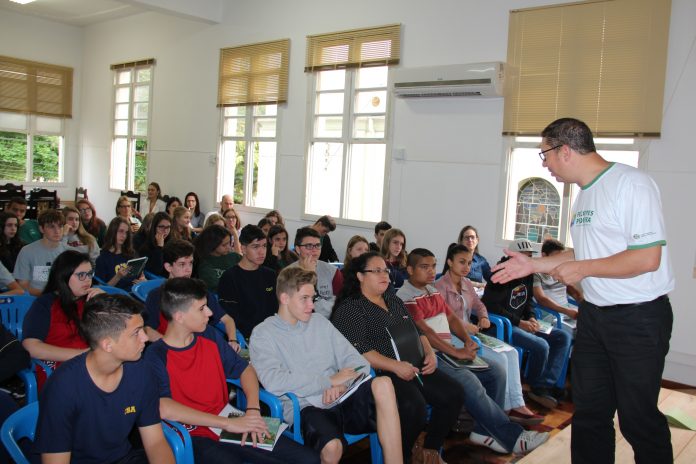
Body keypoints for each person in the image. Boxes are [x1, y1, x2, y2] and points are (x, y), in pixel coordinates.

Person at [491, 117, 675, 464]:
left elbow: (647, 257)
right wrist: (534, 265)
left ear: (565, 150)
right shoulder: (585, 195)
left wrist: (584, 269)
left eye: (545, 153)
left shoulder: (631, 184)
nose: (544, 163)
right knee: (590, 415)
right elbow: (585, 254)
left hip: (637, 319)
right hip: (595, 317)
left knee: (637, 419)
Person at [144, 278, 320, 464]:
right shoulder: (156, 355)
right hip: (194, 433)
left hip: (228, 419)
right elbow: (165, 407)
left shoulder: (209, 336)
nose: (210, 313)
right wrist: (228, 424)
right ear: (179, 317)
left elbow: (245, 370)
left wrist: (252, 409)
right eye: (202, 308)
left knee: (308, 459)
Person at [396, 248, 548, 455]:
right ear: (410, 270)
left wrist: (467, 341)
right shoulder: (404, 296)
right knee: (469, 381)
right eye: (424, 267)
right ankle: (513, 437)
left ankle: (482, 432)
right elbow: (426, 332)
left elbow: (451, 318)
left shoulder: (431, 290)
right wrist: (456, 352)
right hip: (429, 355)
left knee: (496, 371)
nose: (431, 271)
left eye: (433, 266)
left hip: (447, 350)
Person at [251, 267, 404, 464]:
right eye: (304, 299)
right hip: (306, 407)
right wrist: (327, 382)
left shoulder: (319, 322)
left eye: (312, 298)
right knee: (332, 448)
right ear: (284, 298)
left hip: (342, 396)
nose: (311, 305)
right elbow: (274, 381)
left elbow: (359, 363)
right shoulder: (263, 334)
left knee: (383, 383)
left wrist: (341, 384)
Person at [331, 252, 464, 464]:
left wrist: (429, 353)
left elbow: (417, 331)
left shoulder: (392, 299)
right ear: (360, 276)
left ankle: (429, 449)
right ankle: (402, 456)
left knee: (454, 393)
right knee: (414, 407)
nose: (384, 275)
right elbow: (360, 352)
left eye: (385, 270)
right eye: (376, 271)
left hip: (412, 364)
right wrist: (396, 366)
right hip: (381, 373)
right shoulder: (351, 308)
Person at [32, 294, 175, 464]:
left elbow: (155, 442)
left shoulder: (142, 372)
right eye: (136, 332)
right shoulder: (62, 387)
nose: (145, 338)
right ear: (107, 344)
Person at [434, 244, 541, 424]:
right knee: (501, 360)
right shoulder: (439, 287)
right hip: (453, 336)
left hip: (471, 333)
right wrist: (465, 327)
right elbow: (443, 317)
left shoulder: (467, 283)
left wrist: (483, 316)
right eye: (462, 262)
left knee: (512, 353)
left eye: (469, 263)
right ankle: (503, 408)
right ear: (450, 262)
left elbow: (479, 304)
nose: (466, 267)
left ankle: (517, 404)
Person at [483, 239, 572, 409]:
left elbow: (528, 301)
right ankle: (535, 386)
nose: (527, 259)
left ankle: (545, 384)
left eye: (530, 255)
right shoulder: (500, 274)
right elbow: (491, 306)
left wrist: (531, 317)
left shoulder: (527, 273)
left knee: (562, 337)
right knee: (541, 345)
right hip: (504, 326)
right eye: (524, 255)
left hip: (522, 322)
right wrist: (520, 322)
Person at [21, 250, 103, 389]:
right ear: (63, 276)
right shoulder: (45, 304)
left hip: (93, 365)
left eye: (89, 274)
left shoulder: (91, 300)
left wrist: (106, 302)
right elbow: (31, 347)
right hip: (59, 370)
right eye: (81, 275)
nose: (88, 280)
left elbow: (119, 330)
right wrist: (83, 354)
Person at [143, 239, 239, 350]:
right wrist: (171, 345)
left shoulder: (200, 292)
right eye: (182, 264)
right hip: (168, 350)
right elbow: (148, 330)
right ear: (168, 267)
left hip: (201, 347)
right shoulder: (156, 296)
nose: (188, 270)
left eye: (191, 263)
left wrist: (233, 340)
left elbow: (227, 320)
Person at [218, 225, 277, 339]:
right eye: (255, 246)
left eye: (264, 246)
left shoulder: (270, 275)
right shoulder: (230, 277)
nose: (261, 252)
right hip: (245, 336)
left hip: (271, 333)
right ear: (243, 249)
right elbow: (230, 316)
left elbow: (276, 309)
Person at [287, 227, 342, 319]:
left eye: (317, 245)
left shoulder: (333, 272)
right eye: (309, 246)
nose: (314, 250)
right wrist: (309, 275)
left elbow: (341, 305)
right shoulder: (287, 273)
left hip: (327, 322)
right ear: (298, 249)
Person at [13, 209, 67, 295]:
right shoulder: (27, 251)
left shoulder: (69, 252)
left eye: (60, 226)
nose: (57, 231)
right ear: (41, 229)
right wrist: (48, 296)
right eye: (51, 227)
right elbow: (23, 285)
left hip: (62, 298)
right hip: (35, 299)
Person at [532, 238, 583, 324]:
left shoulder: (562, 271)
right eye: (555, 258)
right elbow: (541, 299)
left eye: (560, 258)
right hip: (550, 315)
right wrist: (566, 311)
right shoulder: (536, 274)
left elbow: (574, 292)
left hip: (567, 313)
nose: (559, 262)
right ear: (544, 255)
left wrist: (586, 306)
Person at [95, 217, 146, 291]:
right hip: (117, 294)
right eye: (121, 231)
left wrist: (143, 280)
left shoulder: (132, 253)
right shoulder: (102, 258)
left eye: (126, 232)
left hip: (135, 291)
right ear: (112, 232)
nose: (124, 236)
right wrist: (118, 277)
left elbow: (141, 275)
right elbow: (102, 290)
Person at [194, 224, 241, 293]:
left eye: (229, 243)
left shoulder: (235, 257)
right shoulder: (204, 265)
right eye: (224, 245)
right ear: (212, 244)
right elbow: (219, 287)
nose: (229, 247)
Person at [138, 211, 171, 277]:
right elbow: (156, 271)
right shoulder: (146, 247)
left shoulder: (172, 243)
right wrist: (159, 247)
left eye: (168, 227)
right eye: (161, 227)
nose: (165, 230)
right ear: (154, 227)